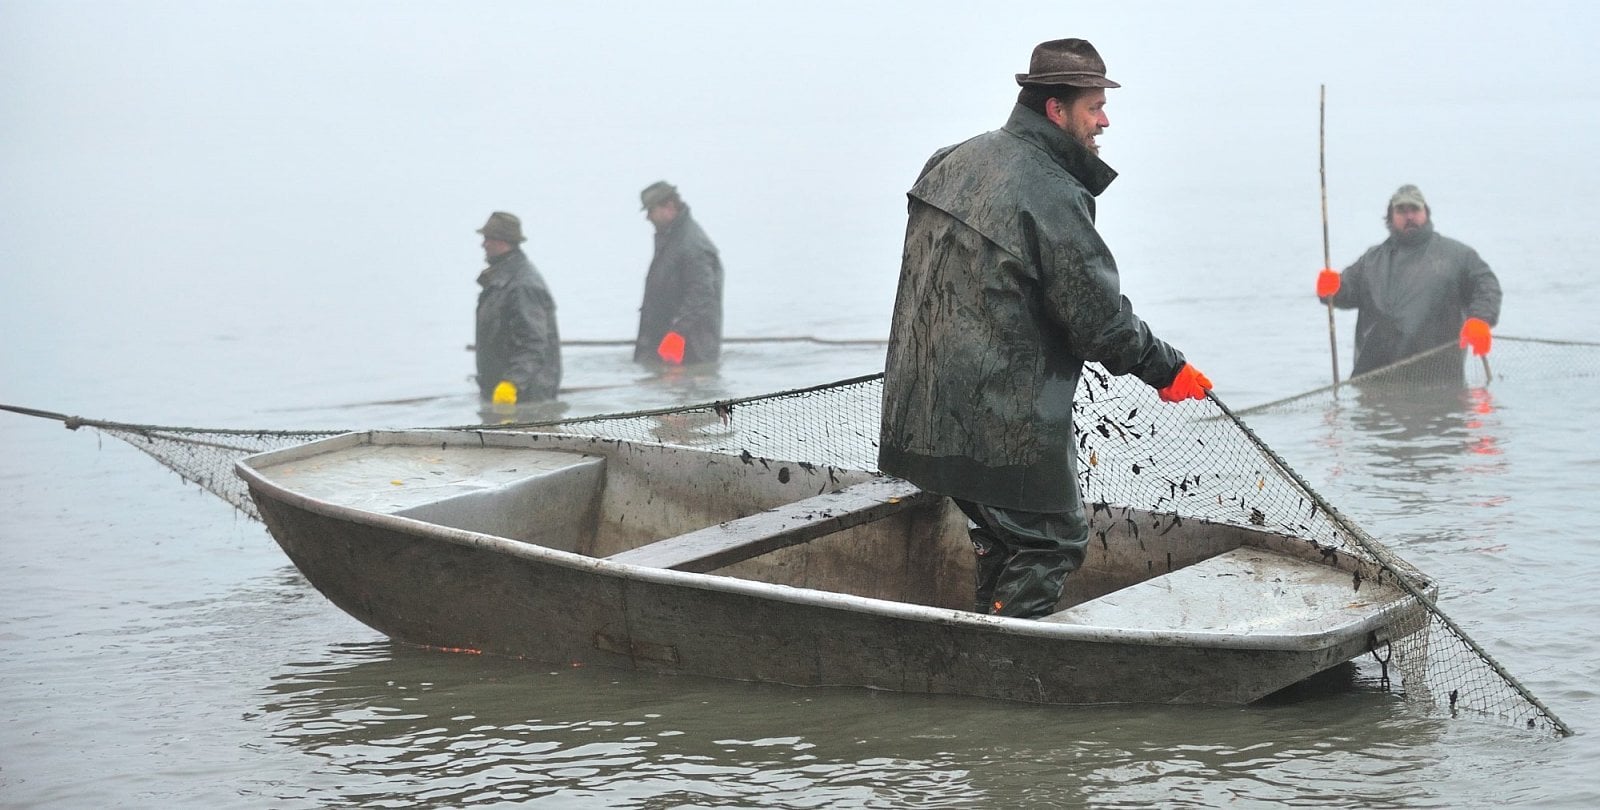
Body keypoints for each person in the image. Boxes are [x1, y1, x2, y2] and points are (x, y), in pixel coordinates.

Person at [878, 38, 1213, 620]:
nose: (1104, 119)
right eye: (1092, 107)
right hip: (997, 417)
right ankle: (1004, 665)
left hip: (918, 408)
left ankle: (986, 637)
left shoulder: (949, 159)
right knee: (1052, 539)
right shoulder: (1052, 190)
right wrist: (1167, 368)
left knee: (1004, 538)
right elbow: (1099, 320)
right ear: (1055, 111)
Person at [1316, 184, 1502, 378]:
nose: (1409, 216)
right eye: (1401, 211)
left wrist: (1480, 319)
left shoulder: (1457, 256)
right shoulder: (1371, 261)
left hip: (1437, 381)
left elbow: (1486, 285)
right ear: (1390, 216)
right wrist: (1331, 287)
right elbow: (1344, 292)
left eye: (1414, 209)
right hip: (1373, 381)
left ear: (1426, 212)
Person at [474, 211, 561, 406]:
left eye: (488, 239)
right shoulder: (500, 279)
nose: (483, 244)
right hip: (502, 394)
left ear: (504, 241)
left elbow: (534, 343)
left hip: (526, 397)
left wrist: (511, 383)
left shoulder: (523, 284)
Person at [634, 181, 724, 367]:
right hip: (665, 344)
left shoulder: (692, 244)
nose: (648, 217)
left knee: (689, 393)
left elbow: (702, 294)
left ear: (669, 207)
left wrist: (677, 334)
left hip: (690, 348)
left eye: (651, 210)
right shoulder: (671, 238)